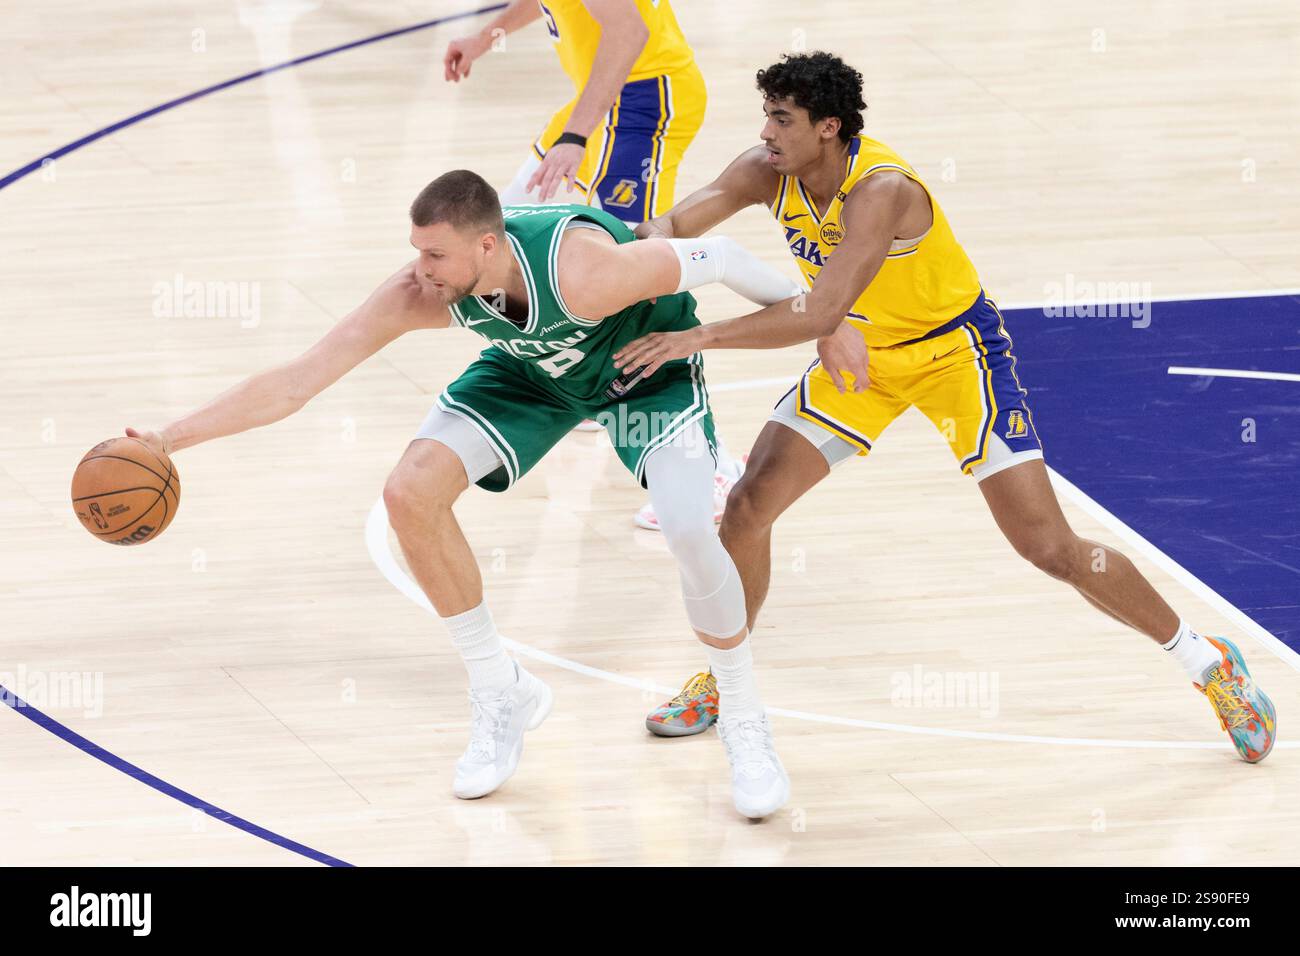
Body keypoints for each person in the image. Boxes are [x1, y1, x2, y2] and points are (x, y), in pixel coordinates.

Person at [616, 52, 1276, 764]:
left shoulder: (883, 191)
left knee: (1049, 548)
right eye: (767, 115)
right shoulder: (764, 169)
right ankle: (727, 682)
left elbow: (821, 310)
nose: (767, 131)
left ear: (829, 128)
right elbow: (674, 225)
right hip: (866, 356)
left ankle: (1207, 662)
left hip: (955, 356)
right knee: (746, 508)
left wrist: (701, 335)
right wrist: (595, 245)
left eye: (783, 118)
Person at [126, 170, 808, 817]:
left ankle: (744, 717)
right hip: (533, 376)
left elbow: (717, 254)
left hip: (645, 367)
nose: (421, 270)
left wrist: (816, 322)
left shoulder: (584, 271)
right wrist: (166, 439)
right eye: (417, 251)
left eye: (435, 255)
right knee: (409, 492)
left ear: (488, 244)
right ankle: (500, 689)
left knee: (689, 526)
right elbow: (298, 380)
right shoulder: (421, 291)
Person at [443, 0, 747, 531]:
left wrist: (575, 137)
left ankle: (712, 469)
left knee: (628, 277)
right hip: (600, 102)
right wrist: (486, 36)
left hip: (642, 102)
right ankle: (573, 377)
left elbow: (627, 31)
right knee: (506, 231)